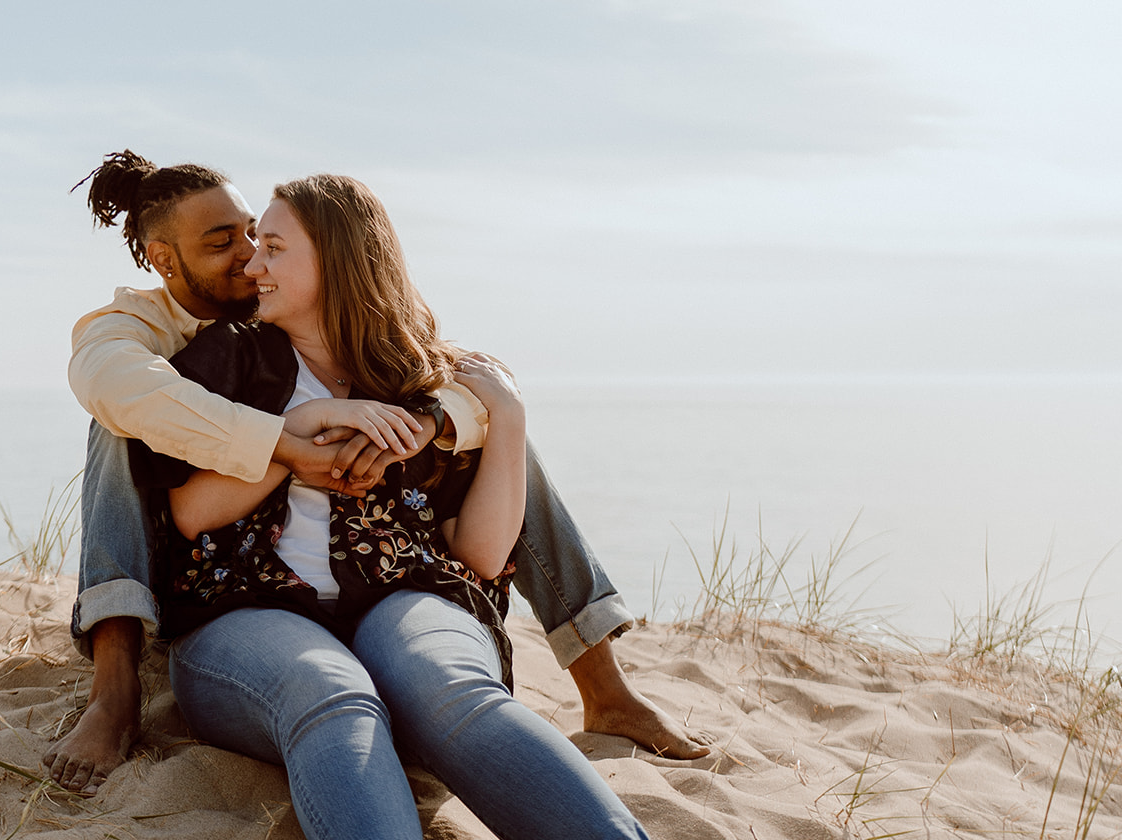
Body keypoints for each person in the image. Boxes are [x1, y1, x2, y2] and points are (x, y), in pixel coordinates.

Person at [44, 151, 711, 794]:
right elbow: (109, 380)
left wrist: (430, 421)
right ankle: (114, 685)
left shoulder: (279, 296)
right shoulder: (141, 325)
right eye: (223, 243)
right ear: (165, 259)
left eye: (255, 234)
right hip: (210, 571)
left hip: (347, 573)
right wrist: (289, 440)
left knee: (507, 436)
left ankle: (605, 685)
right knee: (116, 424)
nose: (250, 257)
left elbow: (448, 369)